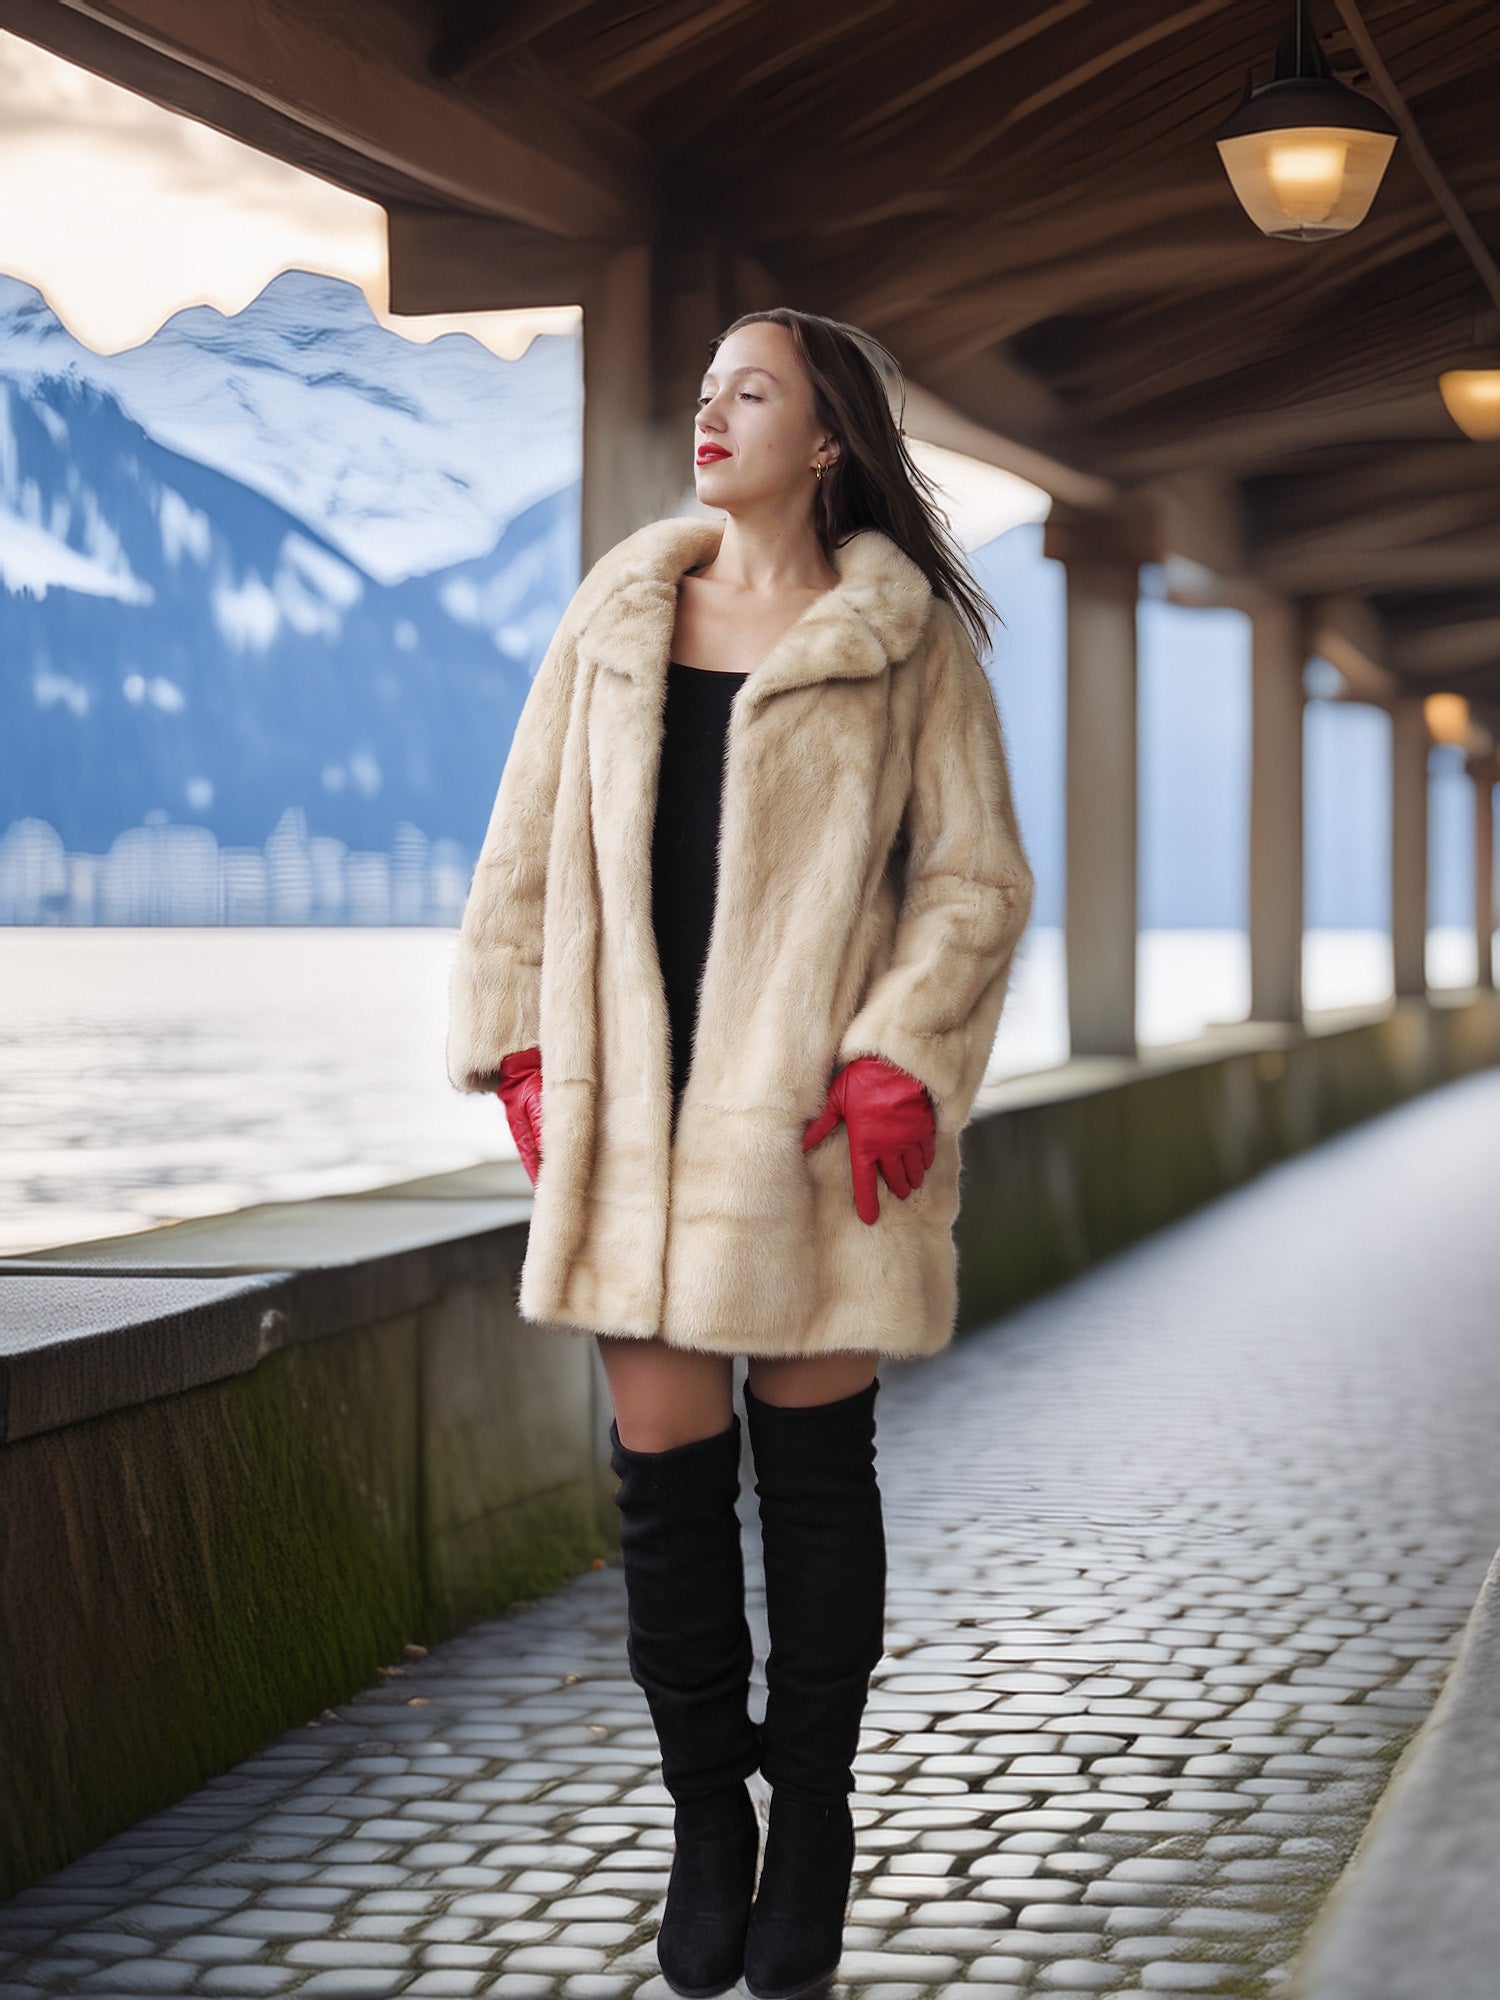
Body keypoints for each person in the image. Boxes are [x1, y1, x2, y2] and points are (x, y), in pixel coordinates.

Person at [446, 306, 1036, 2000]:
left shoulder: (906, 639)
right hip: (635, 1126)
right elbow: (523, 856)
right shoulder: (619, 611)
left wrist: (896, 1060)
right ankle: (713, 1819)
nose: (711, 414)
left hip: (810, 1138)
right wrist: (528, 1062)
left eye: (748, 390)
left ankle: (820, 1820)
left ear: (827, 433)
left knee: (819, 1491)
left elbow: (975, 885)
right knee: (668, 1502)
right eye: (701, 390)